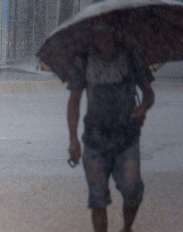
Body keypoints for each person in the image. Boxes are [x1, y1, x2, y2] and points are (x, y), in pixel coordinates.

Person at [66, 23, 155, 232]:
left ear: (115, 33)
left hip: (127, 139)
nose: (102, 37)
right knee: (97, 200)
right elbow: (74, 101)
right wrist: (73, 139)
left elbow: (149, 94)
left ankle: (127, 228)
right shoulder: (84, 59)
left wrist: (143, 107)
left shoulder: (131, 58)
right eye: (97, 33)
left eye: (106, 32)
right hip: (95, 141)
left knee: (133, 191)